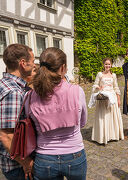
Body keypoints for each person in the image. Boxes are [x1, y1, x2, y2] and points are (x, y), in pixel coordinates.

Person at [24, 47, 87, 180]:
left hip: (44, 156)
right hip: (74, 153)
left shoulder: (29, 96)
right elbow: (82, 122)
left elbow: (31, 127)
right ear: (63, 68)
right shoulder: (77, 91)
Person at [0, 44, 35, 180]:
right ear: (22, 63)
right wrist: (26, 162)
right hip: (17, 166)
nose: (33, 66)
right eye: (32, 62)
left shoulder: (4, 83)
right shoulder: (13, 91)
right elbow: (6, 135)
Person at [89, 58, 124, 144]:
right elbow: (95, 85)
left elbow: (116, 87)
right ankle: (103, 136)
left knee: (112, 117)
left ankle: (113, 135)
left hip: (112, 97)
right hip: (103, 98)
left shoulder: (114, 75)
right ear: (103, 65)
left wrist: (118, 99)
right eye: (106, 64)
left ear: (111, 65)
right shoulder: (100, 74)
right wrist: (98, 87)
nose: (107, 66)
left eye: (109, 64)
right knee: (104, 117)